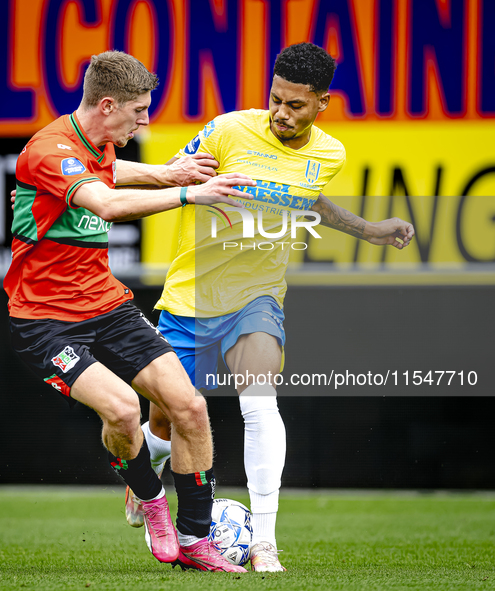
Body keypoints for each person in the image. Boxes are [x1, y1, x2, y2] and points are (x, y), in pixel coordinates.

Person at [124, 43, 416, 572]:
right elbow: (171, 173)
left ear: (322, 103)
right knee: (166, 421)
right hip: (191, 296)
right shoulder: (227, 129)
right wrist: (183, 170)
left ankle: (264, 541)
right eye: (275, 99)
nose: (281, 112)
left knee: (259, 402)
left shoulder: (329, 154)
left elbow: (306, 199)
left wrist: (369, 230)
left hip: (257, 297)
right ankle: (145, 474)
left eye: (296, 105)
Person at [3, 50, 258, 573]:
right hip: (44, 321)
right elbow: (108, 203)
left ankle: (196, 540)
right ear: (107, 104)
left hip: (106, 304)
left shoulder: (93, 142)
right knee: (121, 409)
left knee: (188, 407)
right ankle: (149, 498)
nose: (146, 120)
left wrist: (166, 174)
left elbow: (111, 168)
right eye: (139, 111)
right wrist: (190, 192)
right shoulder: (50, 150)